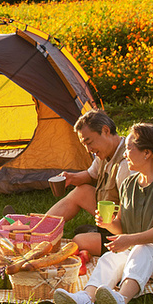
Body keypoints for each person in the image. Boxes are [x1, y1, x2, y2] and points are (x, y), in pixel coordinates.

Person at [52, 123, 153, 304]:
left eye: (129, 148)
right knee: (112, 255)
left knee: (141, 249)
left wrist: (131, 240)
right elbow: (122, 227)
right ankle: (86, 298)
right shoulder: (129, 183)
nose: (125, 153)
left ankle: (121, 300)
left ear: (147, 153)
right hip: (142, 250)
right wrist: (108, 224)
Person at [49, 110, 131, 256]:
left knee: (78, 241)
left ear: (105, 130)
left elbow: (133, 214)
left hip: (125, 230)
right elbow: (90, 175)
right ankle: (39, 231)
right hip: (108, 217)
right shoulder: (104, 153)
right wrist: (71, 178)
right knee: (82, 191)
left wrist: (111, 227)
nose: (89, 149)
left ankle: (97, 234)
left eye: (89, 142)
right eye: (84, 144)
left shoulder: (126, 164)